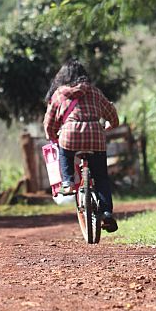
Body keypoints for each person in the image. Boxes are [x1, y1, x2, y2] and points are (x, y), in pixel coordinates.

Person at [43, 58, 119, 232]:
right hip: (95, 136)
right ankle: (107, 213)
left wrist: (52, 136)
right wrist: (110, 125)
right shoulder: (95, 92)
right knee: (101, 177)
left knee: (64, 152)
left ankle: (68, 182)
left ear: (63, 77)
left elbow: (49, 121)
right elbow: (111, 114)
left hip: (70, 136)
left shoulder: (59, 94)